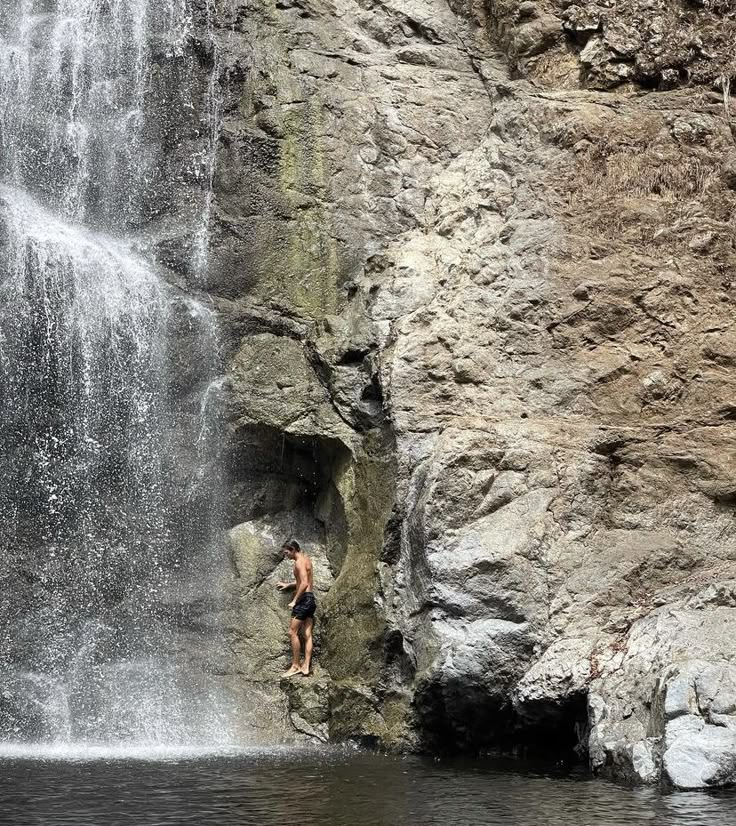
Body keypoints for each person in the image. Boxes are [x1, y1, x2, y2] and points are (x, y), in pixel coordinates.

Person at [276, 539, 316, 677]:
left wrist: (294, 600)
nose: (286, 555)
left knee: (292, 632)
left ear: (293, 549)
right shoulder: (306, 560)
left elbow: (304, 583)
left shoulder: (298, 562)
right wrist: (289, 585)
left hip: (303, 600)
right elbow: (303, 580)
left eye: (287, 552)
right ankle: (306, 666)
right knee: (307, 634)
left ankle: (295, 665)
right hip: (310, 599)